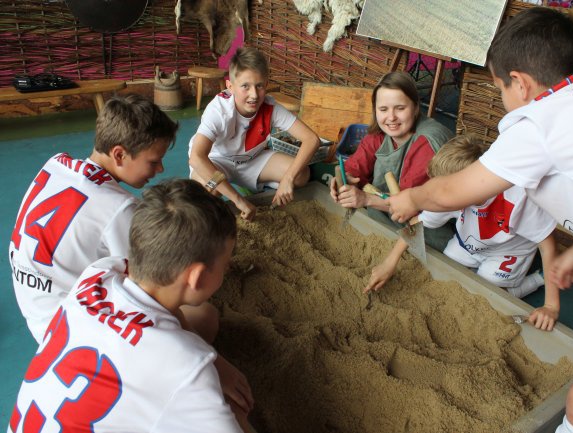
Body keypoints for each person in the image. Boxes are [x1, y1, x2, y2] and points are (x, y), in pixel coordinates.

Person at [388, 7, 573, 433]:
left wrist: (412, 198)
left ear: (521, 83)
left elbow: (455, 190)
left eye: (500, 89)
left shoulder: (541, 122)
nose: (504, 102)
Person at [9, 179, 252, 433]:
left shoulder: (99, 272)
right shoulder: (188, 367)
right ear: (197, 278)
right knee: (235, 413)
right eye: (225, 265)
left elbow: (171, 313)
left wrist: (217, 364)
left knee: (205, 319)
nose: (227, 269)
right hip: (172, 373)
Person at [9, 94, 178, 343]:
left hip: (35, 310)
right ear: (119, 155)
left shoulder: (55, 163)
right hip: (70, 333)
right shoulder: (122, 208)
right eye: (153, 161)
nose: (160, 169)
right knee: (201, 315)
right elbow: (147, 288)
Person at [365, 134, 560, 331]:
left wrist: (551, 306)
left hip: (508, 251)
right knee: (449, 268)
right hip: (469, 242)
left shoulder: (517, 199)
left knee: (488, 291)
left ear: (469, 186)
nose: (442, 197)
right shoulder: (448, 194)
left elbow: (547, 244)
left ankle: (536, 279)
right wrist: (389, 262)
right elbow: (418, 223)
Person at [189, 47, 321, 221]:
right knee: (208, 189)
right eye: (245, 86)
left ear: (266, 84)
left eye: (259, 86)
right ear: (230, 86)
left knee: (301, 175)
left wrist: (288, 179)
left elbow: (311, 139)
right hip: (219, 162)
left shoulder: (270, 108)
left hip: (252, 160)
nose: (254, 95)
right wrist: (238, 200)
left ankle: (259, 185)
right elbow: (197, 158)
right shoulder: (218, 110)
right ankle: (248, 189)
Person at [329, 71, 454, 251]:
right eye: (383, 109)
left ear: (416, 107)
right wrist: (341, 179)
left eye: (400, 108)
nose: (391, 117)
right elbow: (351, 168)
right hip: (392, 213)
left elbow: (409, 205)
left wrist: (365, 198)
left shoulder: (427, 142)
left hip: (429, 225)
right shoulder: (379, 135)